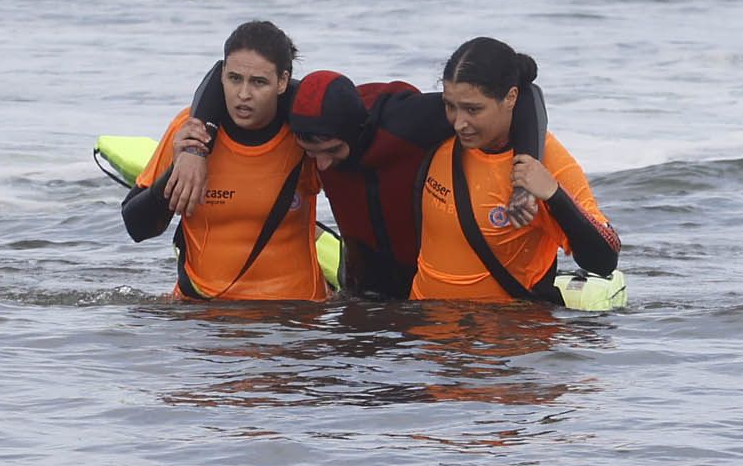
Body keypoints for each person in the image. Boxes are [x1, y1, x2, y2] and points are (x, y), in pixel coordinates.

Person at [167, 65, 544, 300]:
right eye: (311, 152)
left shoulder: (409, 120)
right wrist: (195, 152)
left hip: (420, 291)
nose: (321, 164)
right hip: (359, 291)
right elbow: (222, 73)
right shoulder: (303, 107)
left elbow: (525, 88)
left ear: (358, 131)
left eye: (332, 151)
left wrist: (525, 179)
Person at [120, 21, 326, 301]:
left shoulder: (304, 134)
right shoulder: (190, 132)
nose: (243, 94)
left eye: (259, 82)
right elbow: (138, 228)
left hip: (293, 315)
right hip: (205, 316)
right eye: (234, 78)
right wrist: (177, 172)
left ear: (282, 82)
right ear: (221, 77)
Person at [411, 37, 620, 303]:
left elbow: (604, 258)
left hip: (509, 335)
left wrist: (555, 195)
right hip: (429, 335)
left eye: (474, 109)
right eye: (450, 106)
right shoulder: (439, 135)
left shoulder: (545, 161)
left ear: (510, 98)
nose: (459, 123)